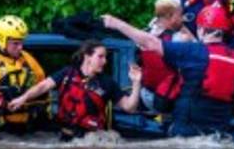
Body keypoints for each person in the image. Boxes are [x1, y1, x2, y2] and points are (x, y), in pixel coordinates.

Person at [103, 3, 234, 137]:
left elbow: (151, 43)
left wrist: (116, 23)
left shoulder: (193, 52)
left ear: (201, 30)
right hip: (219, 133)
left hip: (186, 131)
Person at [8, 40, 142, 140]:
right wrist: (22, 98)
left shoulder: (108, 83)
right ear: (87, 56)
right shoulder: (67, 73)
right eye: (100, 56)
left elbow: (129, 107)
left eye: (105, 57)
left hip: (93, 141)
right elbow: (42, 86)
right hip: (65, 138)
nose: (105, 61)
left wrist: (136, 82)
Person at [0, 15, 47, 135]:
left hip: (29, 129)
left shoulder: (28, 60)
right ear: (2, 40)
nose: (20, 47)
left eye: (21, 42)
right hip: (0, 131)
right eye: (15, 43)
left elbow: (43, 88)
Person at [136, 0, 194, 113]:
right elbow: (202, 53)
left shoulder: (144, 34)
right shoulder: (181, 38)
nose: (182, 17)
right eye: (180, 14)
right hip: (170, 101)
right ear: (170, 16)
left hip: (146, 96)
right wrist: (184, 29)